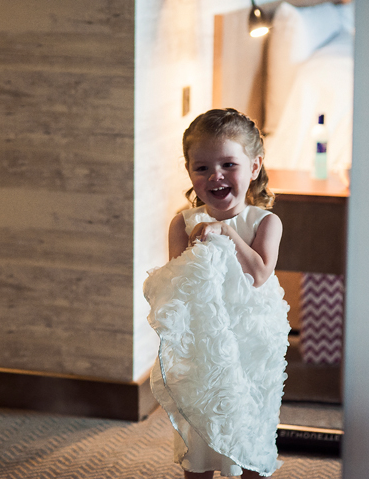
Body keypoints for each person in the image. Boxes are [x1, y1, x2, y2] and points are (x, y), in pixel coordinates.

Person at [144, 108, 290, 478]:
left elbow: (259, 273)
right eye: (202, 167)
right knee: (201, 429)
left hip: (251, 342)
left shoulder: (265, 222)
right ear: (189, 171)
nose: (216, 175)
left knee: (250, 424)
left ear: (254, 167)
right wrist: (194, 251)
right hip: (205, 342)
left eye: (228, 164)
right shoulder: (183, 223)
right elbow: (175, 287)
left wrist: (226, 232)